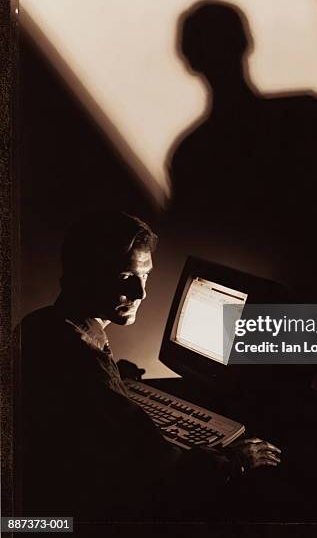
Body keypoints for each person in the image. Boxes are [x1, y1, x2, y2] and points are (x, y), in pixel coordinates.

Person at [19, 210, 281, 522]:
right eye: (125, 278)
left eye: (145, 276)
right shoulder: (84, 367)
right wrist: (237, 461)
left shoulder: (38, 325)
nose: (140, 293)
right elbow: (167, 471)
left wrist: (119, 379)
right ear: (83, 275)